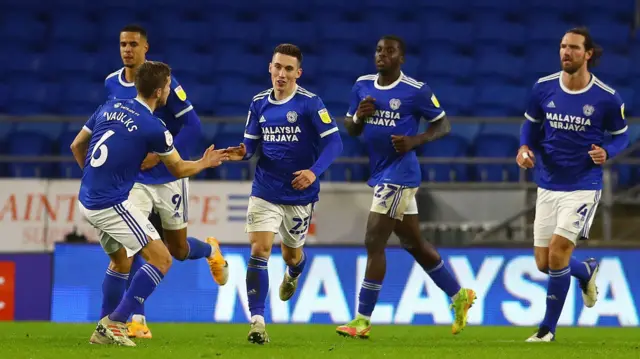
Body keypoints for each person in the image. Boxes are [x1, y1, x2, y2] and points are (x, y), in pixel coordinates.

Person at [70, 61, 229, 346]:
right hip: (110, 204)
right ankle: (116, 323)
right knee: (162, 258)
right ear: (159, 92)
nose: (170, 89)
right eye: (168, 85)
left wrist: (94, 178)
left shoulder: (109, 106)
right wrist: (206, 162)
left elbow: (76, 145)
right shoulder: (154, 127)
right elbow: (179, 169)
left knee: (121, 261)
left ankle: (103, 331)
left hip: (87, 199)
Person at [335, 35, 476, 339]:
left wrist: (415, 141)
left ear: (402, 58)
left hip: (400, 173)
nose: (382, 55)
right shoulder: (362, 85)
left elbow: (442, 124)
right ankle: (458, 295)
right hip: (381, 170)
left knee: (374, 240)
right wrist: (359, 115)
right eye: (378, 50)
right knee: (413, 244)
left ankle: (362, 319)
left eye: (390, 51)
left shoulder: (415, 91)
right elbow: (351, 128)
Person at [105, 24, 229, 339]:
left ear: (146, 48)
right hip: (135, 180)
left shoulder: (164, 83)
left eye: (133, 44)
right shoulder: (111, 83)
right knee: (136, 244)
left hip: (170, 176)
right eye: (123, 44)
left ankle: (211, 249)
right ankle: (136, 320)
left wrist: (162, 153)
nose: (127, 50)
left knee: (179, 249)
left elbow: (194, 126)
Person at [224, 43, 343, 344]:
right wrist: (239, 153)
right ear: (270, 67)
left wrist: (313, 172)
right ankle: (257, 321)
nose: (281, 73)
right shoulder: (258, 103)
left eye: (288, 69)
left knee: (291, 255)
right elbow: (250, 146)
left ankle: (294, 272)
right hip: (265, 189)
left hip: (299, 195)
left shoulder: (310, 104)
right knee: (259, 249)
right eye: (277, 67)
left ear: (298, 73)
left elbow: (335, 144)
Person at [517, 27, 629, 342]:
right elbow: (530, 126)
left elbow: (622, 135)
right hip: (548, 183)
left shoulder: (606, 97)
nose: (566, 52)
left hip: (583, 184)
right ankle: (586, 271)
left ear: (588, 54)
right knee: (544, 263)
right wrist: (524, 149)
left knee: (557, 253)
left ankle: (546, 330)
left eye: (574, 48)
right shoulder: (543, 88)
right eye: (563, 47)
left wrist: (608, 151)